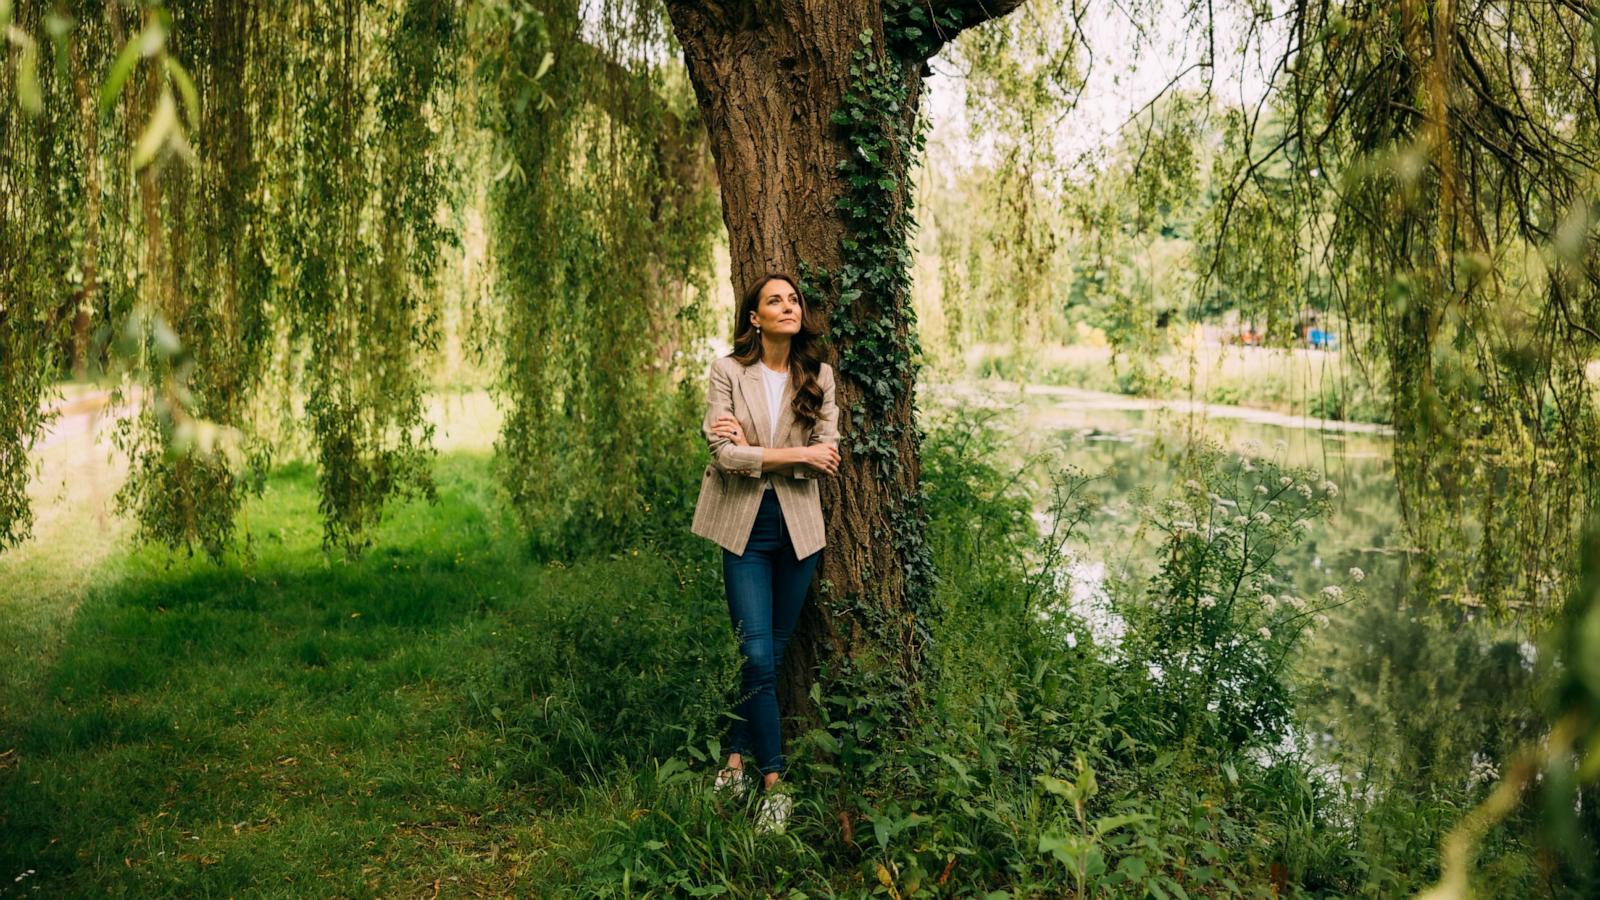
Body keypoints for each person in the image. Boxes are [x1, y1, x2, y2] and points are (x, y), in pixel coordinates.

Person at [690, 273, 841, 834]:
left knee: (770, 655)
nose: (788, 306)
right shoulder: (729, 372)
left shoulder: (818, 376)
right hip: (744, 527)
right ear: (754, 317)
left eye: (793, 299)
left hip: (800, 529)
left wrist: (759, 452)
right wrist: (790, 455)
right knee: (754, 654)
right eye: (774, 300)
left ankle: (734, 760)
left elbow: (828, 454)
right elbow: (724, 457)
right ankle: (774, 783)